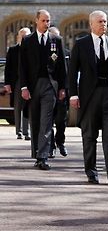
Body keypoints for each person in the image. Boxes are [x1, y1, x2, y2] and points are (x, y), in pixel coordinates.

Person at [69, 10, 108, 185]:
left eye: (105, 22)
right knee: (89, 136)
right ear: (91, 24)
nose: (104, 25)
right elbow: (72, 71)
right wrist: (73, 94)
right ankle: (91, 173)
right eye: (100, 22)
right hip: (89, 96)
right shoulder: (81, 44)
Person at [19, 9, 67, 170]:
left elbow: (62, 66)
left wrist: (62, 87)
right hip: (33, 86)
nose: (47, 24)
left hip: (49, 85)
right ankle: (36, 153)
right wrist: (24, 87)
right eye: (44, 21)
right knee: (35, 121)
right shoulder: (27, 41)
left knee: (46, 122)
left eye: (48, 21)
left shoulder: (56, 40)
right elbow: (22, 66)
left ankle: (43, 156)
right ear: (36, 21)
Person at [4, 27, 31, 141]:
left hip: (30, 82)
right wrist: (7, 83)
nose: (24, 38)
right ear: (18, 37)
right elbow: (8, 68)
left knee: (28, 107)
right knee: (18, 107)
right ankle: (18, 131)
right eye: (22, 36)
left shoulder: (32, 49)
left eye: (26, 36)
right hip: (17, 82)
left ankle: (26, 132)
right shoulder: (13, 50)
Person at [48, 26, 68, 158]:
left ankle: (60, 141)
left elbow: (69, 73)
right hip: (49, 89)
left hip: (62, 91)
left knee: (61, 120)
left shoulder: (67, 53)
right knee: (48, 120)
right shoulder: (45, 53)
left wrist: (66, 89)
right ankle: (50, 146)